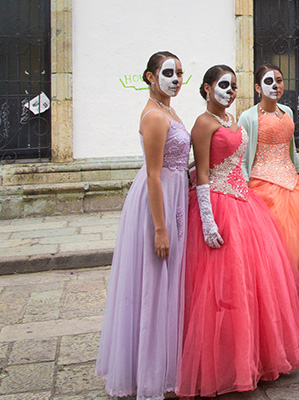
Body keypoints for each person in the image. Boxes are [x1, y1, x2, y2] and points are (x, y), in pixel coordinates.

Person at [177, 65, 299, 397]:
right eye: (223, 85)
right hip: (219, 205)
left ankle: (255, 355)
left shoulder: (231, 120)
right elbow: (202, 173)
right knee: (221, 288)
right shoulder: (203, 124)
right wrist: (207, 220)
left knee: (254, 284)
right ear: (207, 88)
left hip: (246, 203)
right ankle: (222, 361)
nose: (230, 91)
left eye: (233, 86)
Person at [96, 51, 190, 399]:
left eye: (180, 72)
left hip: (176, 195)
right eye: (169, 72)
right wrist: (160, 228)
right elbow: (153, 174)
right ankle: (149, 375)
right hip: (158, 203)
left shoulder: (169, 109)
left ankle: (165, 366)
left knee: (169, 285)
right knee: (154, 285)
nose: (177, 78)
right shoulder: (153, 115)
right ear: (150, 77)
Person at [238, 64, 299, 271]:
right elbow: (243, 158)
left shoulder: (288, 111)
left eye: (279, 81)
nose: (275, 86)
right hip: (263, 184)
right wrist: (245, 188)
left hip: (293, 184)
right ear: (257, 87)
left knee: (297, 241)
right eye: (269, 81)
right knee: (272, 243)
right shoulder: (248, 117)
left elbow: (290, 150)